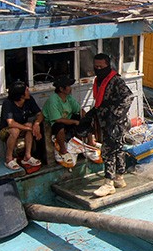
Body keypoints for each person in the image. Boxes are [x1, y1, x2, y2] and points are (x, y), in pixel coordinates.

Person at [90, 53, 134, 197]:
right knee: (118, 148)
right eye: (96, 67)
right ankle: (119, 177)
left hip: (115, 122)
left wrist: (115, 115)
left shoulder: (116, 81)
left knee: (108, 150)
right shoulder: (98, 80)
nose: (98, 69)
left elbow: (128, 97)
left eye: (101, 67)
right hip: (104, 120)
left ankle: (108, 183)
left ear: (108, 66)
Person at [0, 80, 43, 170]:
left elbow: (39, 114)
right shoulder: (8, 103)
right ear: (21, 95)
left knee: (29, 125)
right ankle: (8, 159)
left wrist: (36, 124)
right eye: (26, 90)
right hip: (5, 130)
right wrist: (28, 129)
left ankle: (27, 156)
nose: (28, 91)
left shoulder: (29, 100)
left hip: (22, 128)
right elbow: (11, 123)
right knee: (16, 130)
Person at [42, 75, 85, 167]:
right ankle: (63, 150)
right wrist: (74, 122)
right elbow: (57, 119)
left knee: (82, 120)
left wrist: (85, 118)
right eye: (68, 86)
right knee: (60, 127)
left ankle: (85, 145)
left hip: (68, 120)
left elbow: (79, 110)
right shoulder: (53, 100)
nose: (70, 88)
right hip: (54, 123)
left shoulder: (69, 98)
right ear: (61, 89)